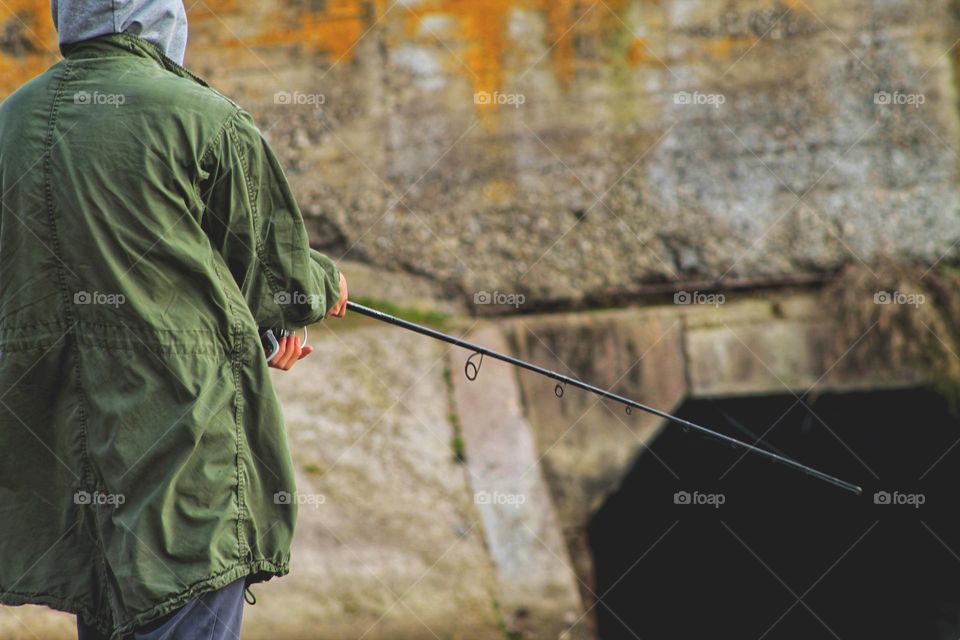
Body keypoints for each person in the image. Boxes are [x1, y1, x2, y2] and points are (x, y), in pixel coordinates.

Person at [0, 1, 348, 638]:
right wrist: (327, 284)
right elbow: (282, 282)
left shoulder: (9, 125)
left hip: (76, 488)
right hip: (187, 476)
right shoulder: (201, 116)